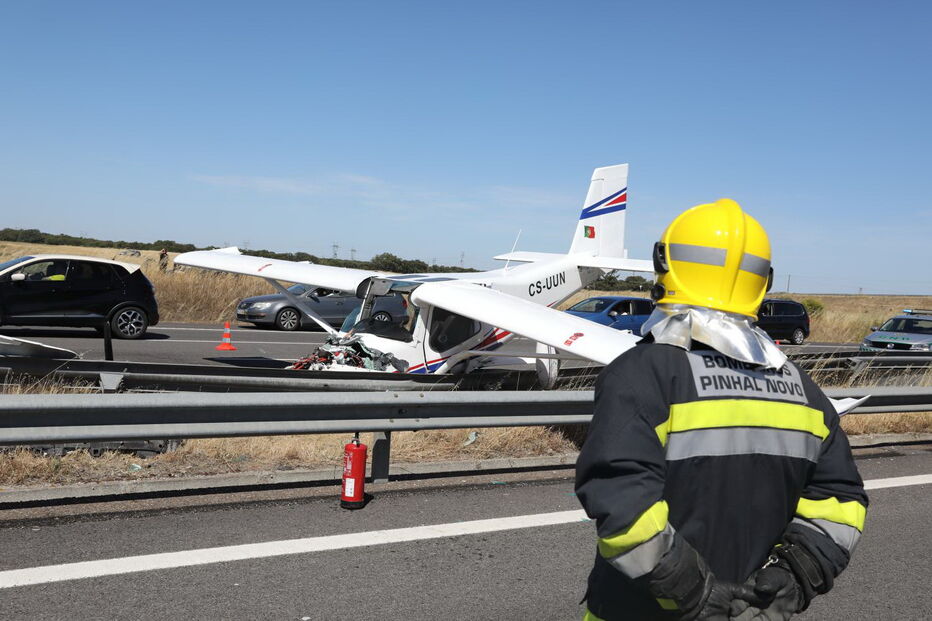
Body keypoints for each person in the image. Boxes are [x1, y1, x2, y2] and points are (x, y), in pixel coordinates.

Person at [575, 199, 867, 620]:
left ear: (664, 266)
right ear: (761, 283)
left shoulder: (643, 374)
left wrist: (694, 594)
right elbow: (841, 501)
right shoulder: (804, 390)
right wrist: (794, 576)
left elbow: (623, 504)